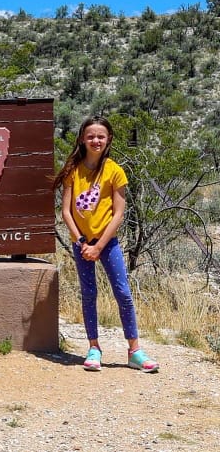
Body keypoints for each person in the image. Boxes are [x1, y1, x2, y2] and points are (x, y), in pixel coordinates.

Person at [53, 116, 159, 373]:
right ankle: (93, 347)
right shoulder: (73, 171)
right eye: (91, 136)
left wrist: (99, 246)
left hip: (107, 243)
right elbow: (66, 211)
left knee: (122, 292)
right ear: (82, 139)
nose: (95, 140)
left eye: (101, 136)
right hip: (82, 243)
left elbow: (118, 214)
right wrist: (81, 241)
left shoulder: (114, 171)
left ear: (108, 138)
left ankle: (134, 350)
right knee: (89, 294)